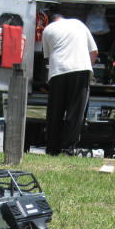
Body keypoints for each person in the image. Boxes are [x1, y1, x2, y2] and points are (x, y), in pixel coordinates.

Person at [42, 13, 98, 155]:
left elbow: (47, 57)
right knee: (75, 111)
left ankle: (52, 149)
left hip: (58, 71)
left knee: (55, 112)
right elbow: (94, 52)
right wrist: (88, 66)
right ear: (63, 17)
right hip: (80, 69)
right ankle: (68, 149)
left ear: (53, 20)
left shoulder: (48, 30)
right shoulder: (79, 23)